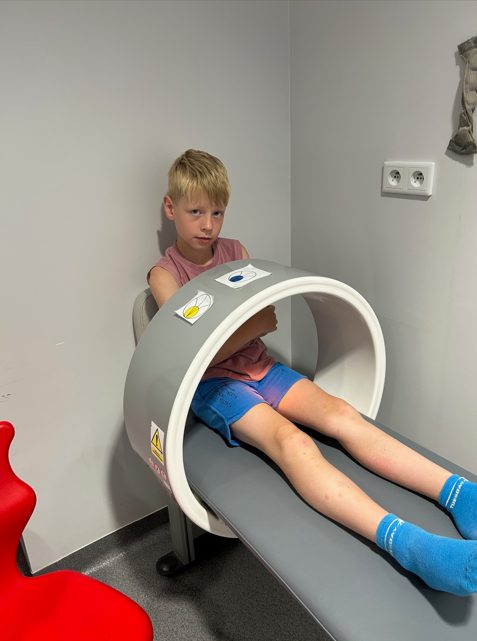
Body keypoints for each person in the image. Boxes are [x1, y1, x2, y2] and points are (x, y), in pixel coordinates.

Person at [148, 149, 477, 596]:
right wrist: (247, 329)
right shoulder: (164, 275)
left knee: (342, 414)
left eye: (217, 212)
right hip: (216, 385)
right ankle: (410, 546)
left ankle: (460, 495)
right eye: (196, 212)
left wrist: (241, 331)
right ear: (171, 208)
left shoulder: (235, 252)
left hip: (262, 366)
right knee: (293, 442)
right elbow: (193, 352)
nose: (208, 225)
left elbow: (264, 319)